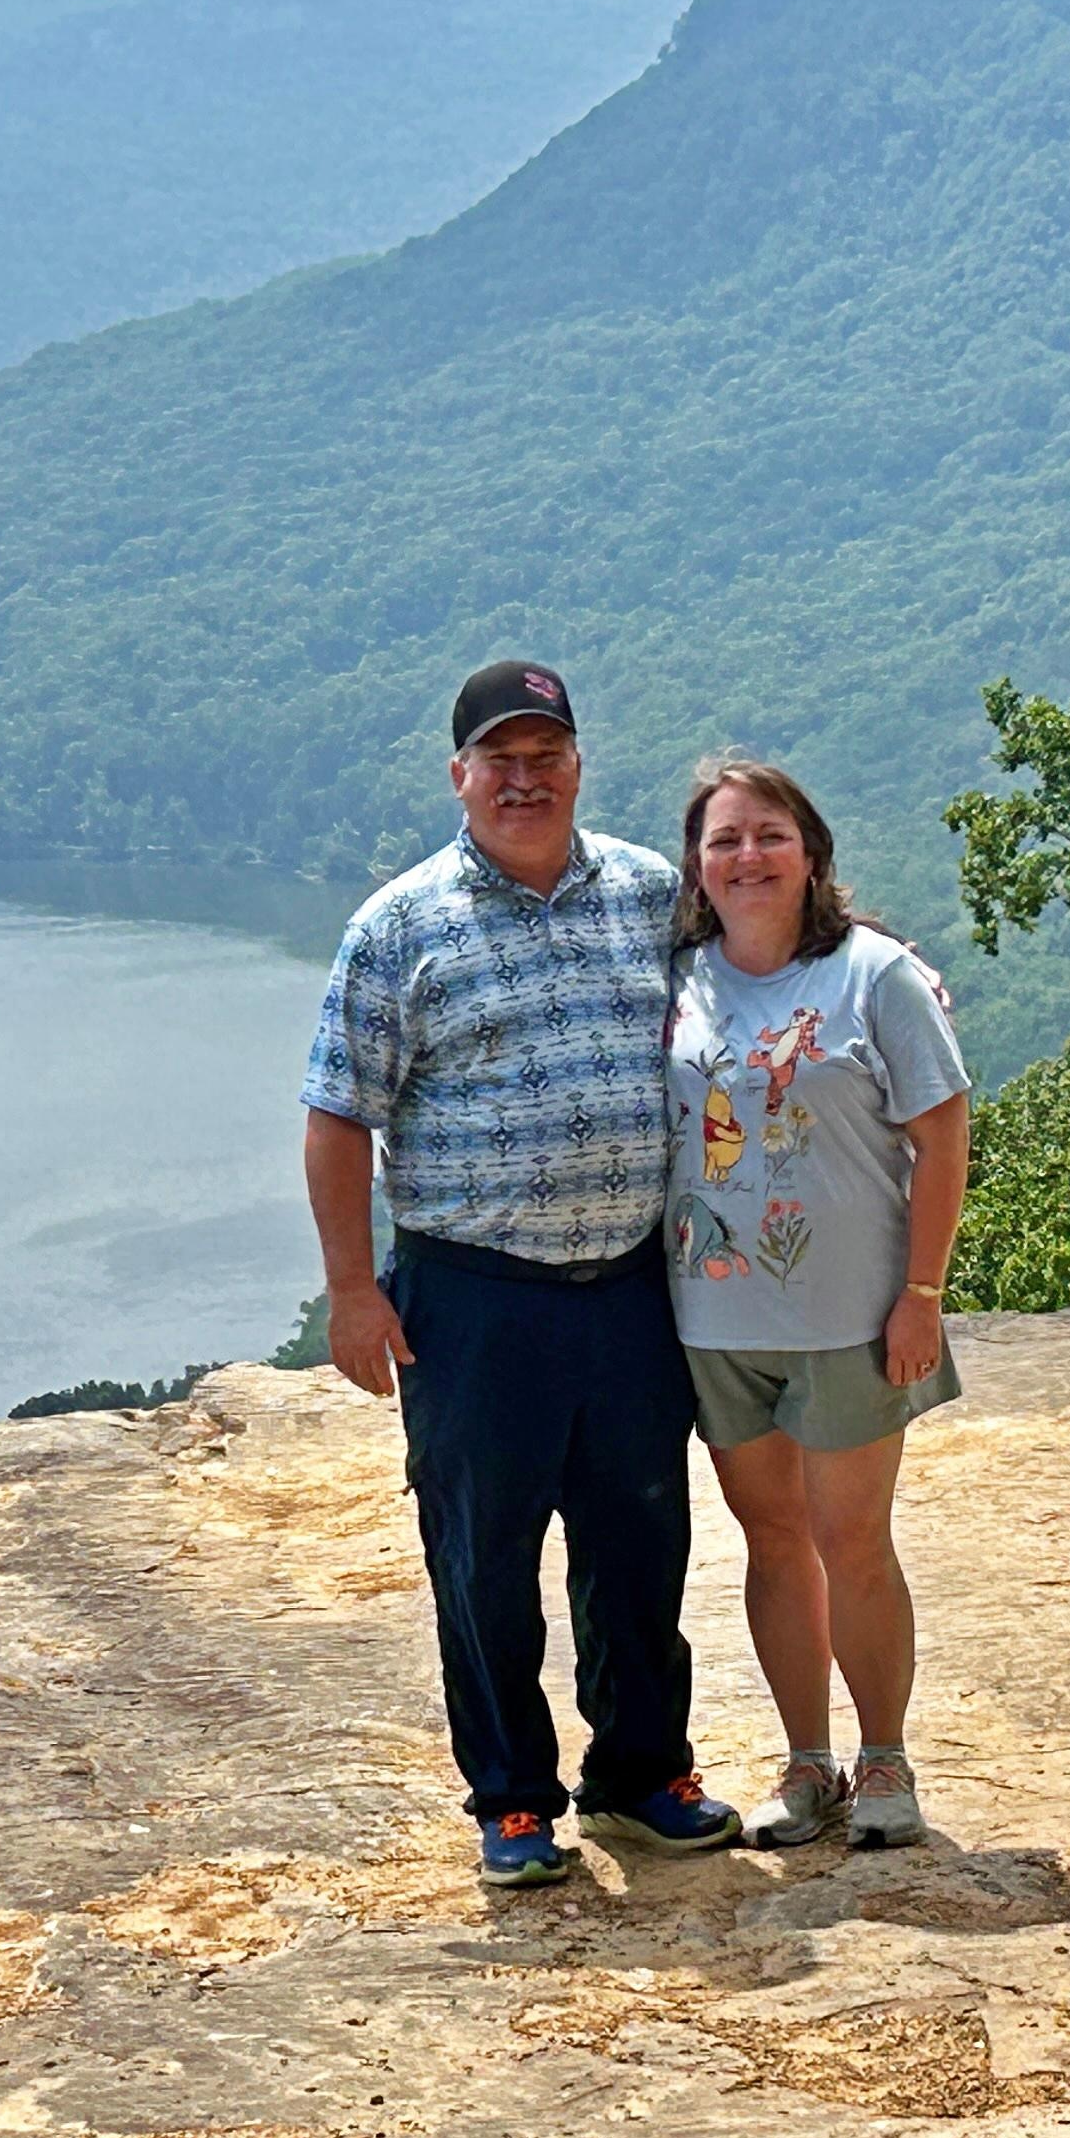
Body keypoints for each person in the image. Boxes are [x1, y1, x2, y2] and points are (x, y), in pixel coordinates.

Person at [302, 662, 744, 1888]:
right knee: (484, 1557)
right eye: (500, 759)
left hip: (632, 1286)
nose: (524, 778)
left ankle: (644, 1775)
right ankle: (510, 1800)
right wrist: (352, 1289)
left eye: (545, 755)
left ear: (578, 768)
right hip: (475, 1295)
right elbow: (338, 1116)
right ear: (460, 778)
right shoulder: (400, 926)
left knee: (640, 1543)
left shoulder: (653, 896)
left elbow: (757, 994)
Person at [661, 757, 971, 1850]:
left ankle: (885, 1759)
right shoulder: (681, 982)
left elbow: (942, 1134)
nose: (749, 857)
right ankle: (808, 1763)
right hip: (716, 1319)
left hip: (849, 1312)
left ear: (811, 853)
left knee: (854, 1539)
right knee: (772, 1539)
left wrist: (921, 1293)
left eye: (770, 836)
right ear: (698, 868)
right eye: (725, 840)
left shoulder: (875, 976)